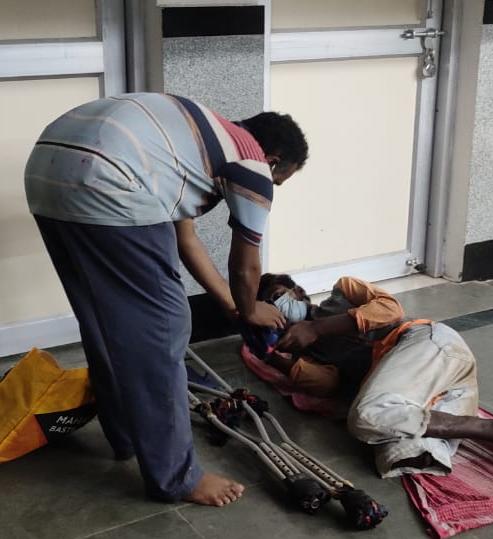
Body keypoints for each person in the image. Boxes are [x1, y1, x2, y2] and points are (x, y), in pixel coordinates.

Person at [24, 93, 308, 506]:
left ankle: (126, 435)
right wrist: (251, 308)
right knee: (164, 329)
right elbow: (246, 265)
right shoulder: (251, 162)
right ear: (274, 159)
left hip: (48, 172)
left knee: (106, 321)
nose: (271, 187)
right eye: (279, 179)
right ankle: (177, 477)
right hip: (108, 179)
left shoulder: (193, 142)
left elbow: (186, 240)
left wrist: (232, 306)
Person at [253, 274, 493, 481]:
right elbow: (328, 385)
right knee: (397, 449)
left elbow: (390, 309)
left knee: (366, 416)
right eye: (268, 306)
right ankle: (464, 429)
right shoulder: (309, 352)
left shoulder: (343, 291)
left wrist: (317, 328)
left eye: (278, 297)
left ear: (298, 292)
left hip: (428, 343)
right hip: (438, 380)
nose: (277, 307)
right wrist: (276, 357)